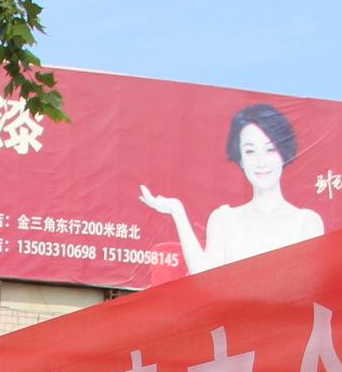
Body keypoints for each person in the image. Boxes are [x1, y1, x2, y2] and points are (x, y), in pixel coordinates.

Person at [138, 102, 325, 275]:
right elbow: (204, 276)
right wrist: (177, 211)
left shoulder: (306, 223)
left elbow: (310, 290)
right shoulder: (223, 220)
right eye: (250, 151)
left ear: (283, 154)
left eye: (270, 150)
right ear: (240, 158)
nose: (261, 162)